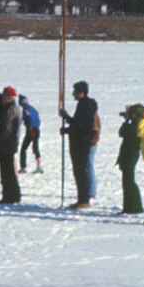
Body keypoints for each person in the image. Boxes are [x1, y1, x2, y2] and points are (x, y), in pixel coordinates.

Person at [59, 80, 100, 209]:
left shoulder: (85, 105)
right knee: (79, 171)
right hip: (80, 142)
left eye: (75, 91)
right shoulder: (84, 104)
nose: (73, 94)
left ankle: (84, 200)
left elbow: (80, 125)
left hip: (81, 143)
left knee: (81, 171)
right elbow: (78, 123)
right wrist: (67, 118)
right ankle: (81, 199)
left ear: (81, 92)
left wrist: (67, 129)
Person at [116, 104, 144, 214]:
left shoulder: (137, 124)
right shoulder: (135, 123)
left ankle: (133, 207)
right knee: (128, 180)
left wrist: (127, 122)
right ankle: (130, 206)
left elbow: (123, 133)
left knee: (128, 181)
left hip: (131, 153)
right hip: (129, 153)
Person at [0, 85, 23, 204]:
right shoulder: (11, 108)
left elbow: (7, 128)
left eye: (4, 96)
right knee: (8, 170)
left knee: (7, 171)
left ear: (9, 97)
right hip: (8, 143)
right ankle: (12, 194)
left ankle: (10, 195)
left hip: (7, 143)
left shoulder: (11, 110)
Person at [18, 93, 42, 174]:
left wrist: (28, 125)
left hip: (31, 130)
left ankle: (23, 167)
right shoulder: (32, 108)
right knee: (35, 148)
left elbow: (28, 117)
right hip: (36, 129)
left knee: (23, 149)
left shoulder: (26, 109)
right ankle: (39, 166)